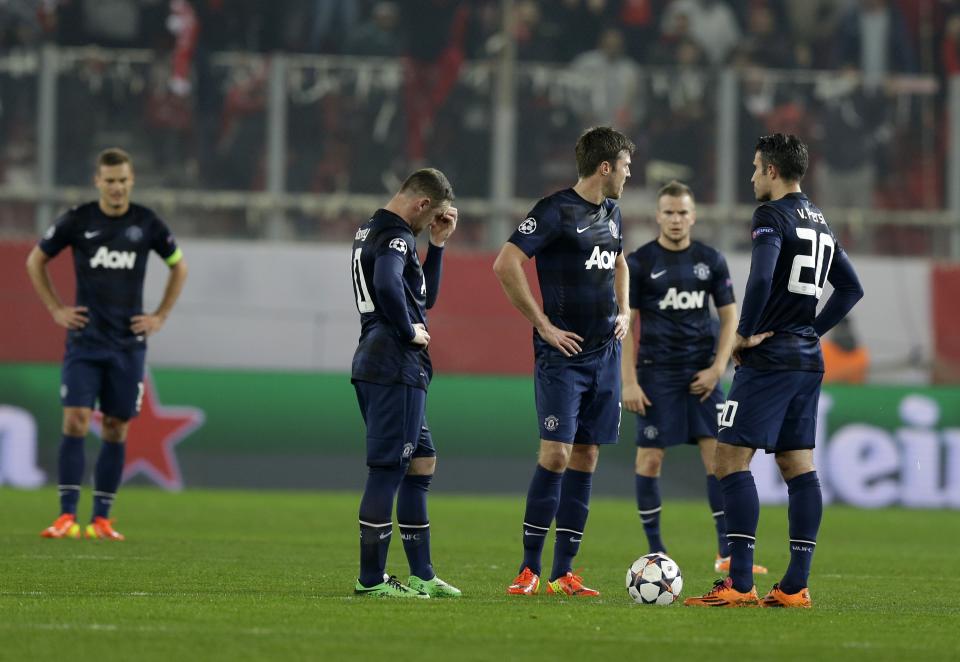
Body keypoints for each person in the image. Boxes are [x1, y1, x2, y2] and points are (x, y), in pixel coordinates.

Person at [684, 134, 863, 608]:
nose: (751, 177)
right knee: (797, 465)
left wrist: (745, 333)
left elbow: (761, 278)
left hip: (772, 358)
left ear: (771, 171)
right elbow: (850, 289)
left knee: (728, 461)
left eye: (755, 167)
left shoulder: (771, 215)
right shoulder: (820, 220)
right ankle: (794, 585)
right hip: (806, 358)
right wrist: (809, 329)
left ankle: (740, 583)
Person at [493, 126, 634, 597]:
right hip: (564, 357)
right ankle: (529, 568)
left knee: (588, 455)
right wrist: (542, 325)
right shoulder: (554, 211)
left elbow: (619, 262)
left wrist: (625, 311)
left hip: (605, 354)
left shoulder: (613, 212)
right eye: (626, 166)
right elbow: (506, 263)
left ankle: (563, 572)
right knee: (555, 453)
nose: (629, 175)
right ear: (605, 167)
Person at [26, 148, 188, 541]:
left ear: (131, 181)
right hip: (85, 340)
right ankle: (66, 515)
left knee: (116, 427)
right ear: (98, 181)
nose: (116, 187)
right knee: (76, 418)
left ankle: (101, 518)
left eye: (123, 180)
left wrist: (160, 316)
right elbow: (36, 261)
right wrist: (56, 309)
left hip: (127, 345)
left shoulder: (146, 223)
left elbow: (178, 266)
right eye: (110, 181)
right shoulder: (78, 220)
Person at [622, 180, 767, 576]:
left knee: (718, 460)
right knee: (649, 460)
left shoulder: (710, 260)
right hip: (656, 375)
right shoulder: (640, 263)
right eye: (668, 212)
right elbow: (626, 324)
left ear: (693, 216)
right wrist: (629, 381)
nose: (675, 219)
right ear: (657, 216)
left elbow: (729, 318)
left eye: (682, 212)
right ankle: (656, 551)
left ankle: (726, 552)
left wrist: (718, 368)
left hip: (702, 373)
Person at [350, 168, 461, 598]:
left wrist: (437, 246)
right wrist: (408, 330)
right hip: (392, 363)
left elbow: (423, 297)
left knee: (421, 462)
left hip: (385, 363)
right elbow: (386, 285)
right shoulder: (396, 236)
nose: (428, 225)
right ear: (420, 205)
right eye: (430, 218)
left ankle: (422, 574)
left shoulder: (369, 230)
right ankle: (371, 580)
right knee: (388, 469)